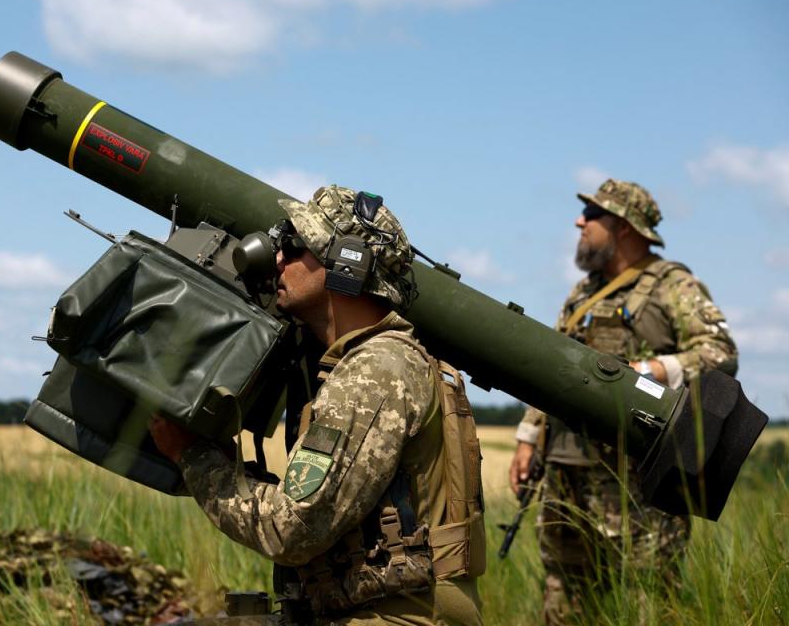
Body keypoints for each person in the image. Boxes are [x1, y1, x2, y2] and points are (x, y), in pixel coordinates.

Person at [150, 185, 486, 625]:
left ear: (346, 264)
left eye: (293, 246)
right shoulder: (378, 362)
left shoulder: (374, 372)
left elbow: (290, 530)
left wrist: (190, 456)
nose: (276, 261)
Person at [508, 178, 738, 624]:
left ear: (625, 228)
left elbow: (720, 353)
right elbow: (549, 369)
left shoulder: (673, 285)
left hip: (635, 483)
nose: (580, 221)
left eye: (593, 215)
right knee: (564, 598)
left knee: (647, 599)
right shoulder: (581, 295)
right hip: (565, 475)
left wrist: (652, 371)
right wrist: (526, 438)